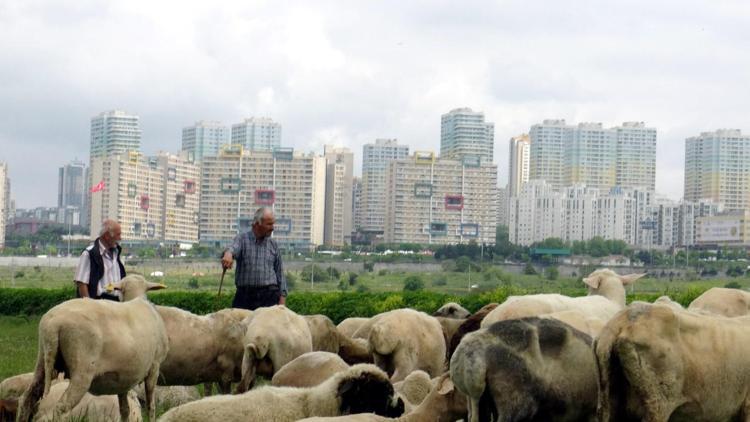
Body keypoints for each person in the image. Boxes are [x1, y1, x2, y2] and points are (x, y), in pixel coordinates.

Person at [222, 207, 287, 310]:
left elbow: (280, 274)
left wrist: (282, 301)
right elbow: (233, 248)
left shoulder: (273, 244)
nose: (272, 228)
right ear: (257, 224)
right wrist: (228, 254)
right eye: (269, 224)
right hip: (245, 297)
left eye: (273, 224)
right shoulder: (242, 239)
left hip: (269, 297)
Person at [74, 219, 125, 301]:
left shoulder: (116, 253)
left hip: (116, 304)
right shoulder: (89, 253)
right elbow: (81, 283)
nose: (120, 238)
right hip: (99, 304)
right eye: (118, 235)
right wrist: (89, 306)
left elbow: (111, 284)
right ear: (107, 236)